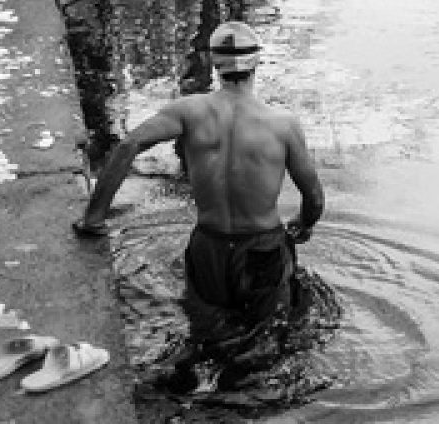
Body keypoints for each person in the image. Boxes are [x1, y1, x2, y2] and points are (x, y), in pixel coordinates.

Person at [74, 20, 325, 388]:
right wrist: (304, 224)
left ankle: (186, 388)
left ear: (213, 63)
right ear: (256, 65)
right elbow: (314, 197)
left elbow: (128, 146)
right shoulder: (282, 124)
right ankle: (240, 398)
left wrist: (94, 218)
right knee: (265, 340)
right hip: (262, 248)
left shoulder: (188, 112)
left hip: (208, 245)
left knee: (202, 335)